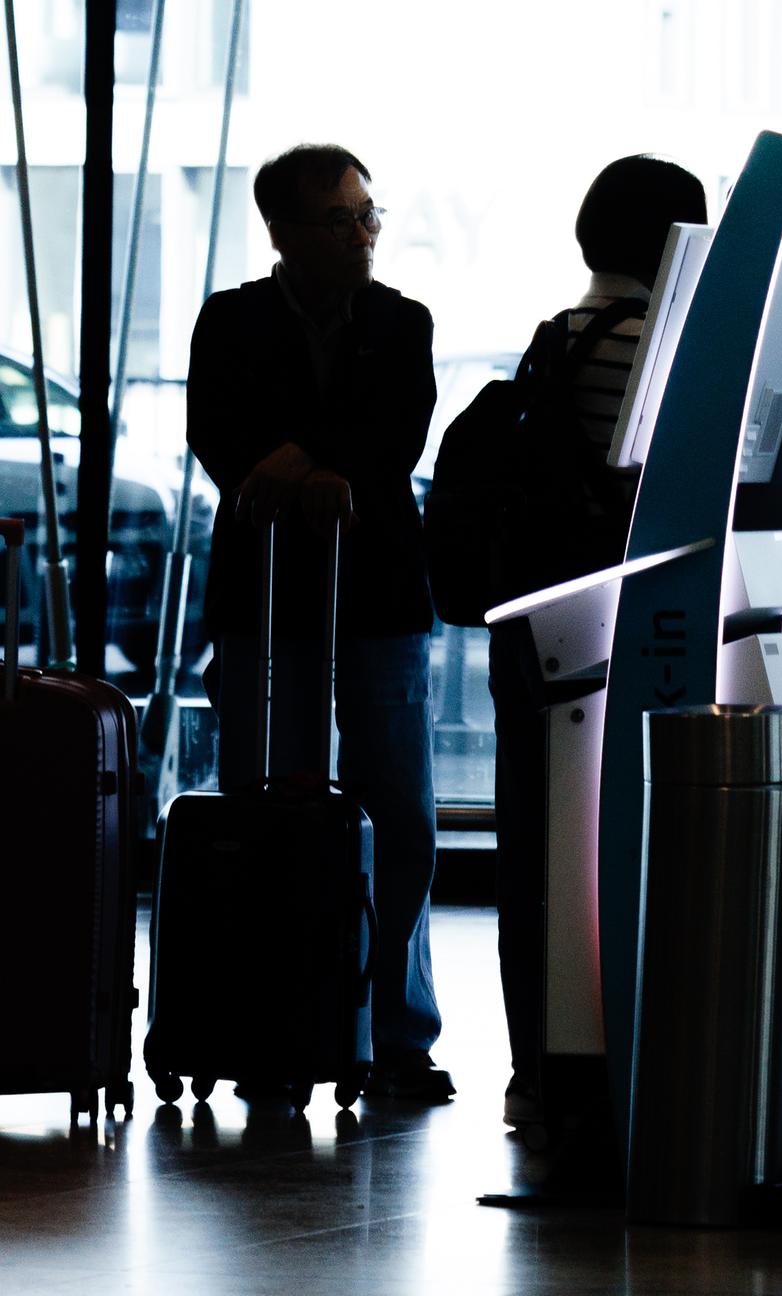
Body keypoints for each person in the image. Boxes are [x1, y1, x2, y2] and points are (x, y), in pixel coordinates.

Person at [187, 143, 453, 1102]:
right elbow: (220, 437)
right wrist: (302, 466)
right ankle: (274, 1025)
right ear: (284, 233)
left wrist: (299, 455)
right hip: (264, 589)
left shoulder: (401, 322)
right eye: (339, 219)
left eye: (368, 213)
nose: (362, 234)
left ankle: (397, 1032)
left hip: (377, 592)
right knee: (267, 804)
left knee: (401, 815)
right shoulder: (230, 320)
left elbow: (396, 434)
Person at [490, 156, 708, 1129]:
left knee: (533, 851)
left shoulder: (561, 335)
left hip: (536, 628)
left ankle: (537, 1063)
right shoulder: (644, 345)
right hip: (605, 635)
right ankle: (593, 1052)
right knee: (590, 847)